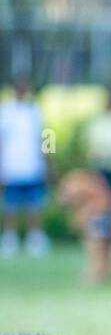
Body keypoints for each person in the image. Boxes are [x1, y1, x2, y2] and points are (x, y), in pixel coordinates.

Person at [0, 79, 49, 257]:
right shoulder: (5, 111)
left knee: (35, 205)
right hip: (11, 166)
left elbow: (46, 135)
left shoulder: (35, 111)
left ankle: (35, 237)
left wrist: (48, 161)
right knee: (10, 205)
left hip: (33, 166)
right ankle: (9, 238)